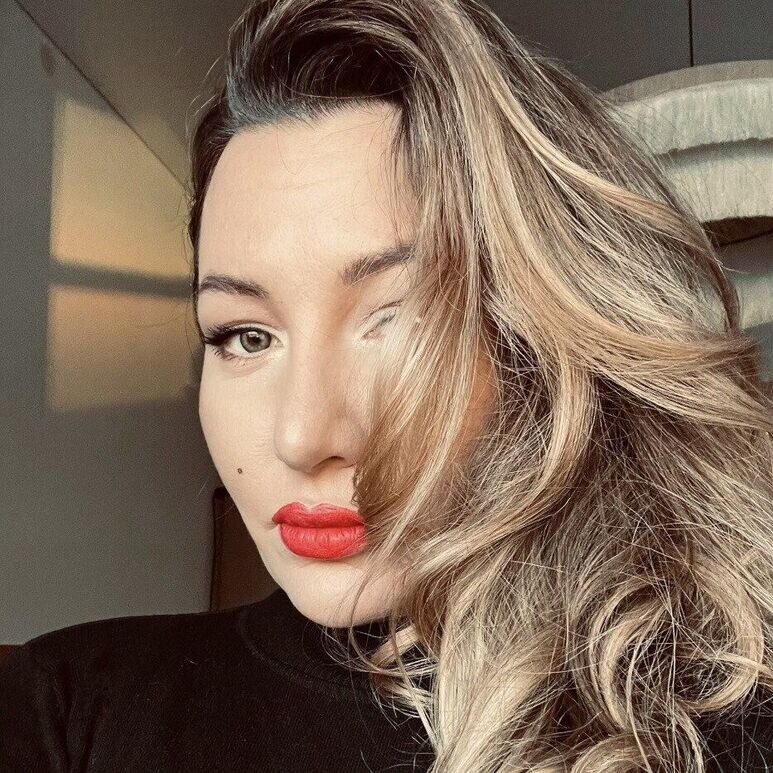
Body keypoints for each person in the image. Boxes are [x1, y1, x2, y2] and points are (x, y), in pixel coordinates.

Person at [2, 0, 772, 770]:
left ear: (548, 342)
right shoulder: (67, 706)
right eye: (246, 335)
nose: (302, 436)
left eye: (399, 319)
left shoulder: (725, 716)